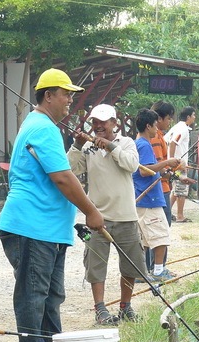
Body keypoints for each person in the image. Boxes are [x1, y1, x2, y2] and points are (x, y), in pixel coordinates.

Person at [0, 68, 104, 342]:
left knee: (52, 293)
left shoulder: (40, 125)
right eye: (66, 94)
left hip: (48, 228)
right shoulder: (43, 128)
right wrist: (91, 211)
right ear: (48, 96)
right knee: (33, 292)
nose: (71, 100)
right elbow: (62, 178)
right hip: (32, 225)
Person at [69, 104, 145, 325]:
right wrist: (77, 145)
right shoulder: (87, 148)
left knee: (131, 265)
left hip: (126, 216)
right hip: (97, 217)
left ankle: (126, 306)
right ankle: (100, 309)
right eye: (95, 122)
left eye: (103, 122)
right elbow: (70, 169)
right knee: (95, 264)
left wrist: (111, 147)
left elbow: (132, 165)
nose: (98, 126)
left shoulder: (127, 143)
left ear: (114, 123)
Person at [133, 109, 179, 281]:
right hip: (149, 199)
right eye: (155, 126)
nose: (157, 129)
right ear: (148, 126)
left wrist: (164, 171)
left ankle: (141, 272)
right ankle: (158, 271)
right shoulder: (144, 145)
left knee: (144, 238)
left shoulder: (139, 143)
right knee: (161, 236)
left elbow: (149, 169)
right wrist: (166, 162)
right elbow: (144, 171)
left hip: (145, 197)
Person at [165, 106, 196, 223]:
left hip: (177, 163)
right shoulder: (182, 129)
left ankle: (167, 210)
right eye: (193, 115)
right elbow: (173, 143)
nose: (194, 117)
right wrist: (172, 161)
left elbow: (166, 140)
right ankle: (180, 215)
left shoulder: (176, 127)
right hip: (179, 164)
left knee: (175, 189)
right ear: (188, 117)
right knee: (182, 190)